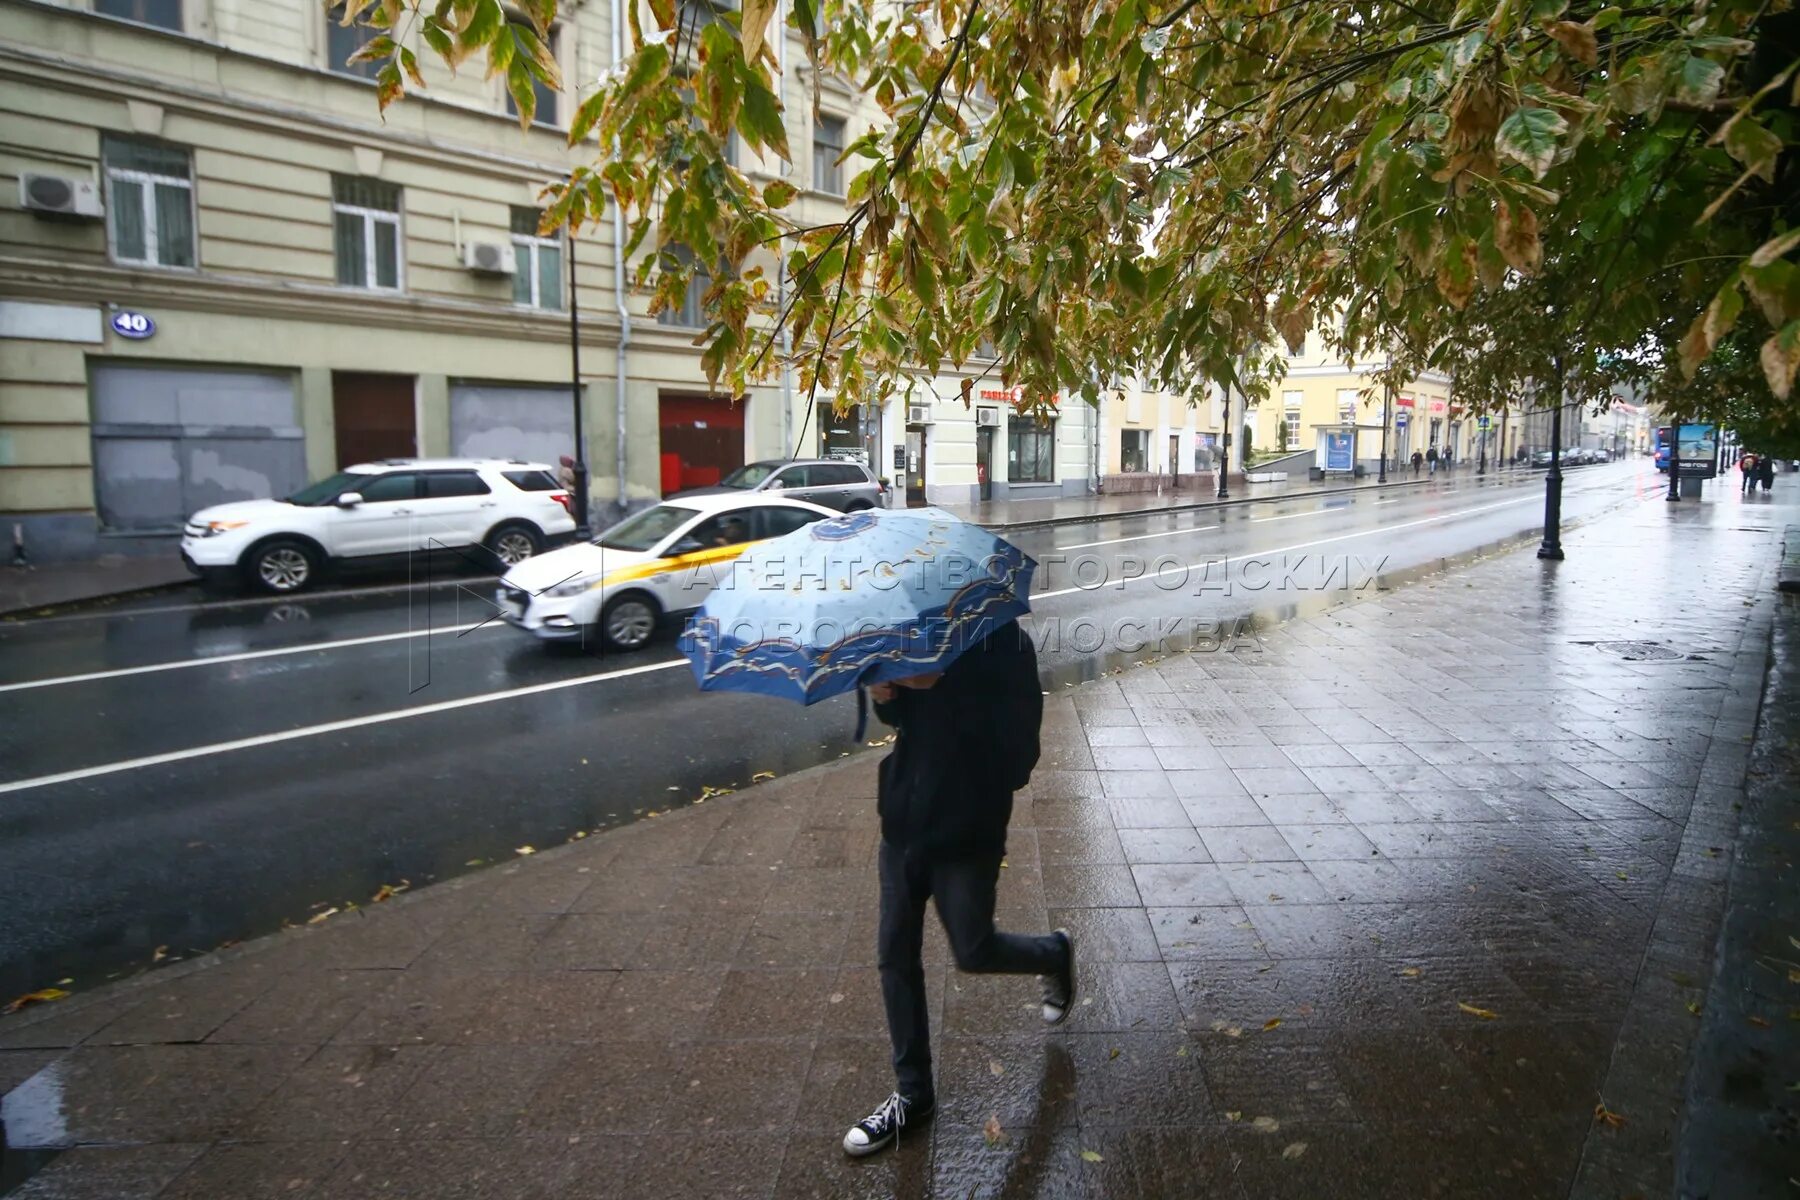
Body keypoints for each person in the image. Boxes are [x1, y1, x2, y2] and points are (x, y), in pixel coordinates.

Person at [844, 619, 1074, 1158]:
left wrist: (946, 685)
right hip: (903, 821)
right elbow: (904, 722)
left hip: (966, 831)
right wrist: (888, 697)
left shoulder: (1007, 645)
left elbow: (1018, 758)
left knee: (973, 950)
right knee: (893, 956)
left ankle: (1055, 952)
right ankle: (913, 1095)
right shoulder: (911, 632)